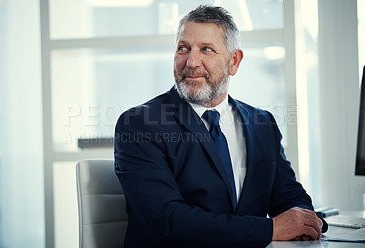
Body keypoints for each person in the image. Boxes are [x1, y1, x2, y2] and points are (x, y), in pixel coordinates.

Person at [114, 5, 327, 247]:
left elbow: (290, 196)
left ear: (233, 61)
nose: (191, 62)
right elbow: (168, 221)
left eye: (206, 49)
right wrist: (271, 229)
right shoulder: (139, 125)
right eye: (183, 48)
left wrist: (306, 222)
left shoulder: (262, 124)